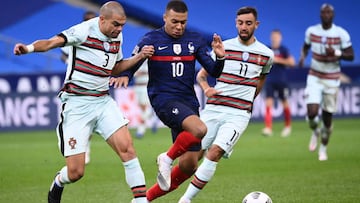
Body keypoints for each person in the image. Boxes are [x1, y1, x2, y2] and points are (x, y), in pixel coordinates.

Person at [13, 1, 155, 203]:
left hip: (102, 101)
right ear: (102, 19)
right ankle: (59, 181)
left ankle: (141, 200)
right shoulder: (83, 31)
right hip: (77, 104)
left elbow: (114, 69)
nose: (120, 29)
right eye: (116, 24)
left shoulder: (117, 35)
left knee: (128, 149)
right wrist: (27, 49)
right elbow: (51, 43)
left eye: (122, 25)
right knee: (76, 172)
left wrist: (139, 57)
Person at [116, 1, 225, 201]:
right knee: (200, 129)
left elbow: (214, 71)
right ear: (165, 18)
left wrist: (220, 58)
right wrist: (127, 75)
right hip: (164, 99)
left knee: (189, 165)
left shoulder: (195, 39)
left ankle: (143, 200)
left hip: (188, 102)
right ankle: (165, 158)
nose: (179, 26)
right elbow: (134, 60)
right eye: (174, 21)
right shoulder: (151, 39)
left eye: (183, 22)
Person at [178, 6, 274, 203]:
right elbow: (202, 75)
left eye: (248, 23)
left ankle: (185, 200)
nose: (244, 27)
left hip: (238, 114)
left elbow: (260, 82)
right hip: (213, 109)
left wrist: (246, 103)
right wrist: (206, 89)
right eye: (240, 23)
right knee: (189, 160)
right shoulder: (224, 47)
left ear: (256, 25)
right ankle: (154, 193)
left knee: (215, 152)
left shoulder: (266, 55)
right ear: (235, 23)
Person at [298, 3, 354, 161]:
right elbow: (306, 46)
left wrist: (336, 52)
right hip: (315, 76)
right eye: (324, 12)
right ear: (320, 15)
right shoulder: (312, 31)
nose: (326, 15)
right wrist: (302, 56)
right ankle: (315, 130)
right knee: (311, 114)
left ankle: (323, 148)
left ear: (333, 15)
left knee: (327, 120)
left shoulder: (340, 34)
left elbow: (351, 55)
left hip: (332, 79)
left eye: (329, 12)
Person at [60, 10, 97, 165]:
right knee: (76, 122)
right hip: (76, 86)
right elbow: (63, 54)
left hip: (95, 85)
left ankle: (86, 145)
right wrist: (69, 62)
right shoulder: (76, 34)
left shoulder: (100, 37)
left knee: (93, 121)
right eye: (87, 20)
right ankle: (78, 148)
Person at [262, 29, 295, 137]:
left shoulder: (283, 50)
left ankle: (287, 126)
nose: (275, 39)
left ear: (280, 38)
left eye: (277, 37)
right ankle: (268, 128)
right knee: (268, 103)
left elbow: (292, 62)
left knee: (284, 102)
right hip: (270, 80)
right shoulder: (268, 49)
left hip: (281, 80)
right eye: (273, 37)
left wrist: (277, 60)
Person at [133, 61, 158, 138]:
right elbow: (134, 74)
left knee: (144, 108)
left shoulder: (151, 62)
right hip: (137, 87)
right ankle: (153, 117)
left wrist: (141, 73)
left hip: (145, 87)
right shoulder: (137, 61)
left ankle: (141, 130)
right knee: (142, 108)